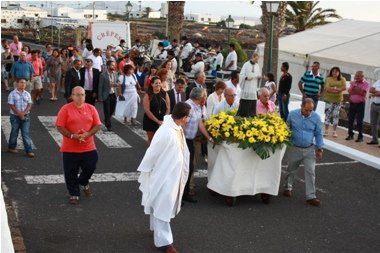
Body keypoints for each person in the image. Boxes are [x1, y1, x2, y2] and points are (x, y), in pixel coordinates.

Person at [138, 102, 191, 253]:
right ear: (183, 117)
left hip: (173, 175)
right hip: (164, 176)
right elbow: (152, 152)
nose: (189, 120)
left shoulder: (177, 127)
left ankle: (156, 229)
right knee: (164, 205)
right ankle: (165, 243)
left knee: (160, 203)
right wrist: (147, 170)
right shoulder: (166, 131)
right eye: (188, 117)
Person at [56, 86, 102, 205]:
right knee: (70, 172)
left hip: (88, 146)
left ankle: (83, 181)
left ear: (85, 96)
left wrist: (87, 134)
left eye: (82, 95)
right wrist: (72, 136)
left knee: (91, 166)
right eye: (77, 95)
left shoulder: (91, 108)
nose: (80, 97)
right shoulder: (65, 109)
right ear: (72, 96)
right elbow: (59, 126)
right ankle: (74, 194)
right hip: (70, 148)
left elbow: (97, 125)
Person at [283, 98, 324, 207]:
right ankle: (288, 187)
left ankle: (311, 196)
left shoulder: (316, 118)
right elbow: (286, 129)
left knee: (311, 172)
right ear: (301, 106)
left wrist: (320, 149)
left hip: (309, 149)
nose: (308, 113)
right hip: (294, 148)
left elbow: (319, 134)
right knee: (291, 169)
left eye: (311, 110)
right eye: (306, 110)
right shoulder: (292, 115)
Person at [184, 87, 214, 203]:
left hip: (194, 140)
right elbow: (181, 124)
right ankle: (183, 192)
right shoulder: (188, 107)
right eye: (205, 95)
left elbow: (201, 123)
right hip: (185, 140)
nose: (206, 97)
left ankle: (186, 192)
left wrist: (209, 137)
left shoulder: (199, 106)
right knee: (187, 166)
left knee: (190, 166)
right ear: (200, 97)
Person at [7, 78, 34, 158]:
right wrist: (19, 114)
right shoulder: (12, 94)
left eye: (25, 83)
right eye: (21, 82)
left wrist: (24, 113)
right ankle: (11, 147)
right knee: (14, 132)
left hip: (26, 116)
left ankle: (29, 150)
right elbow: (11, 105)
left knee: (25, 133)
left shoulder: (27, 94)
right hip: (15, 116)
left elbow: (29, 104)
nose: (23, 84)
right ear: (17, 83)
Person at [143, 76, 170, 144]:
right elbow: (147, 110)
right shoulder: (148, 95)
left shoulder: (165, 93)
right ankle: (151, 154)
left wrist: (164, 120)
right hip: (150, 121)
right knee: (152, 141)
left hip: (162, 121)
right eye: (156, 83)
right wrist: (157, 121)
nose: (158, 84)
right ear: (152, 84)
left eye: (159, 83)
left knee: (161, 141)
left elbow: (168, 108)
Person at [345, 71, 370, 142]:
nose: (356, 77)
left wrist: (355, 88)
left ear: (362, 76)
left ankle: (360, 137)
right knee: (350, 120)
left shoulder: (366, 83)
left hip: (360, 104)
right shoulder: (353, 82)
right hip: (352, 103)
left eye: (358, 76)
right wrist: (357, 90)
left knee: (359, 121)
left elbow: (363, 93)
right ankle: (350, 135)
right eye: (356, 76)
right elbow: (350, 91)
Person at [323, 67, 346, 137]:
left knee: (336, 115)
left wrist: (334, 88)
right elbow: (326, 88)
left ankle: (334, 131)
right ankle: (326, 130)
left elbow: (344, 87)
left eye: (336, 72)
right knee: (327, 115)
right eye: (333, 71)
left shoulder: (343, 79)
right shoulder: (328, 79)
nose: (334, 73)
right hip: (329, 100)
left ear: (339, 72)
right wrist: (337, 89)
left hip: (338, 101)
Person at [237, 53, 261, 117]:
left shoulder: (257, 66)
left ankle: (252, 115)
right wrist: (246, 78)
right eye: (256, 59)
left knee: (253, 100)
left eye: (257, 60)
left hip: (253, 86)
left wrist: (259, 76)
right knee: (245, 102)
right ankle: (243, 115)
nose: (256, 61)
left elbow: (258, 74)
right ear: (252, 57)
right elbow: (241, 74)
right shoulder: (246, 64)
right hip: (247, 86)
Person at [98, 61, 118, 131]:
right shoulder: (103, 75)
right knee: (107, 110)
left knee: (112, 110)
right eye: (112, 65)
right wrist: (100, 97)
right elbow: (100, 86)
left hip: (113, 94)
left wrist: (116, 84)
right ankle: (108, 125)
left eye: (114, 65)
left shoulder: (115, 73)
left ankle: (107, 119)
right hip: (106, 95)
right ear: (108, 66)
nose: (114, 66)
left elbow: (117, 82)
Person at [368, 79, 380, 146]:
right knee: (373, 123)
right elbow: (370, 90)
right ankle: (374, 140)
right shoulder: (378, 81)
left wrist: (373, 94)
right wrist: (377, 93)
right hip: (374, 104)